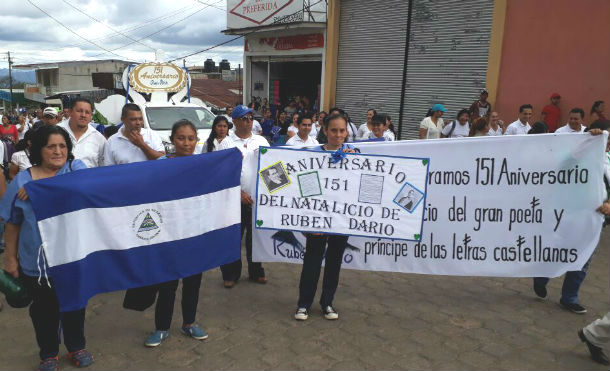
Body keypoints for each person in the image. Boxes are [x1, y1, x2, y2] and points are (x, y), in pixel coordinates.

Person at [0, 125, 92, 370]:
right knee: (44, 311)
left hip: (73, 257)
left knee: (75, 305)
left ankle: (76, 346)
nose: (58, 151)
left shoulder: (75, 169)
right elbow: (12, 224)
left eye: (62, 146)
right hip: (37, 263)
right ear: (39, 149)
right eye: (51, 146)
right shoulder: (22, 179)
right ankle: (48, 353)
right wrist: (10, 259)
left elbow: (86, 189)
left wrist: (40, 191)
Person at [143, 120, 208, 347]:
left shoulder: (203, 164)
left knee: (192, 283)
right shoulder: (160, 164)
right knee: (167, 284)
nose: (186, 143)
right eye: (181, 138)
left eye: (191, 138)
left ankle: (189, 323)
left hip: (194, 233)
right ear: (172, 140)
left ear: (196, 140)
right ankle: (161, 328)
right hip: (168, 234)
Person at [531, 120, 600, 314]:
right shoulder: (576, 156)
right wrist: (589, 141)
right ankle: (542, 276)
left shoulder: (607, 160)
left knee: (583, 258)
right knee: (559, 250)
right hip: (569, 214)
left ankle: (569, 297)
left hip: (594, 219)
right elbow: (565, 163)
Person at [294, 113, 356, 322]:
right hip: (318, 219)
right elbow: (306, 186)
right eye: (333, 130)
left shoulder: (356, 156)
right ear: (325, 131)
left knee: (334, 261)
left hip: (342, 219)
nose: (338, 135)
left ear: (347, 132)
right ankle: (303, 303)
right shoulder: (313, 155)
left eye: (342, 130)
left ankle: (327, 302)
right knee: (312, 261)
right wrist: (310, 218)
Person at [221, 105, 269, 288]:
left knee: (255, 237)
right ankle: (231, 273)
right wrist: (238, 193)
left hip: (257, 199)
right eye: (244, 118)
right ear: (234, 121)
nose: (249, 121)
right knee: (233, 237)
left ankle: (256, 271)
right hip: (234, 199)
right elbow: (221, 174)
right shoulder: (226, 143)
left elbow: (273, 168)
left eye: (251, 118)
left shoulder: (261, 141)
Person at [58, 98, 106, 168]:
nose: (83, 115)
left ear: (91, 115)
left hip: (89, 178)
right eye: (79, 111)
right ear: (70, 112)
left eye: (87, 112)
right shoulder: (56, 131)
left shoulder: (99, 138)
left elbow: (103, 166)